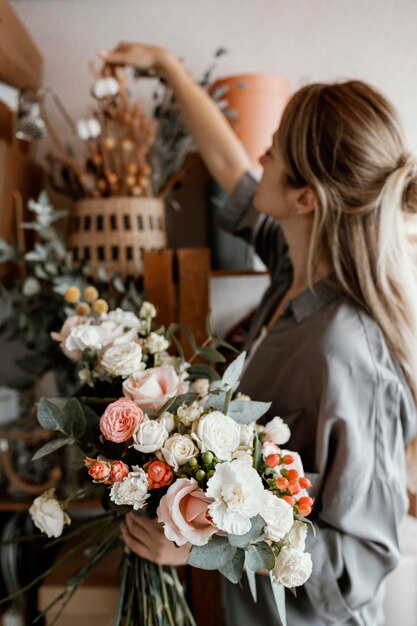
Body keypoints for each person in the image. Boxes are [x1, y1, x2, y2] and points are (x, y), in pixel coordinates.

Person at [100, 43, 417, 625]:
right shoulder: (291, 273)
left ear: (305, 199)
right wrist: (165, 64)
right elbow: (228, 166)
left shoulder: (348, 353)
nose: (263, 151)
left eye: (277, 147)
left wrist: (204, 540)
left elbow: (361, 565)